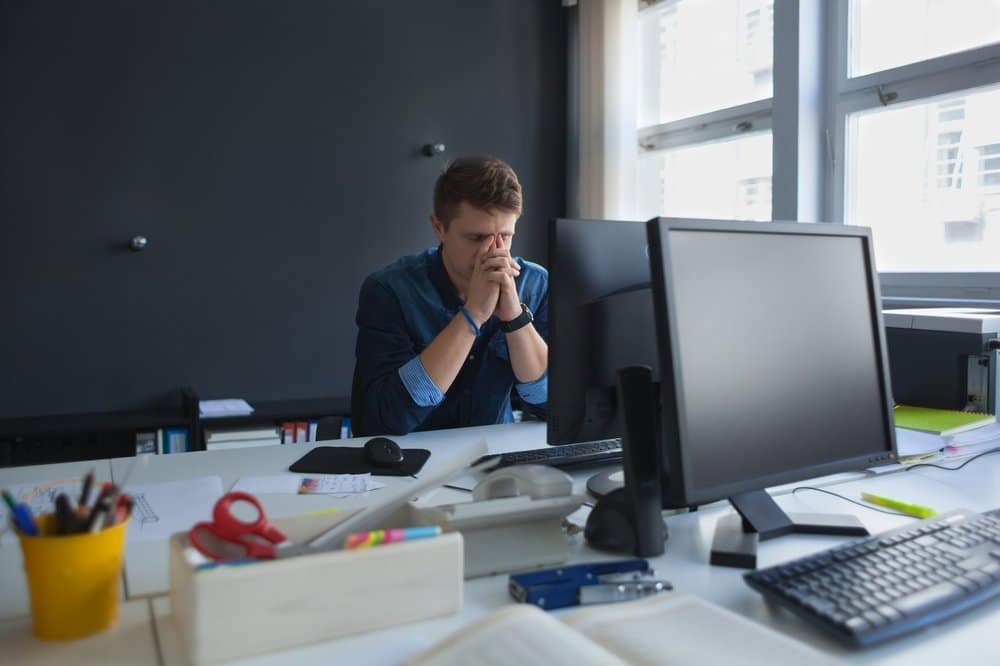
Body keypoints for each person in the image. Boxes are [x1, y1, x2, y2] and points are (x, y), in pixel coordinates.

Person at [353, 156, 548, 436]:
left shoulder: (535, 283)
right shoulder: (390, 290)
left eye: (504, 236)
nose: (491, 252)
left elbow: (552, 407)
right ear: (439, 228)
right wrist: (473, 315)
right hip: (411, 460)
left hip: (494, 460)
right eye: (476, 238)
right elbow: (390, 418)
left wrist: (515, 318)